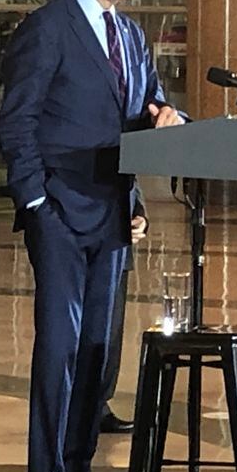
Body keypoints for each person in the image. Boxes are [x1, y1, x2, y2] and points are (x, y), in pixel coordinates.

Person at [0, 0, 184, 472]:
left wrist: (164, 116)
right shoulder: (47, 29)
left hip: (114, 217)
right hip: (58, 215)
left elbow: (145, 108)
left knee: (99, 357)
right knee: (61, 351)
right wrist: (35, 202)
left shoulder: (130, 35)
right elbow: (17, 122)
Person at [99, 183, 147, 434]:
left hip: (119, 244)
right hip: (80, 236)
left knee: (111, 331)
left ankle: (99, 406)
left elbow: (130, 179)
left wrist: (140, 216)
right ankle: (75, 407)